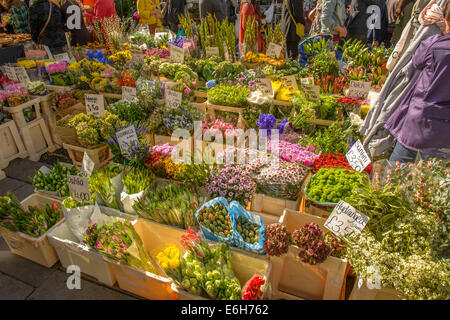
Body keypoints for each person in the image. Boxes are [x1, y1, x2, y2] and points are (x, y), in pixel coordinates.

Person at [384, 0, 450, 163]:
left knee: (393, 181)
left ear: (446, 19)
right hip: (444, 135)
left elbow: (416, 62)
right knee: (432, 184)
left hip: (419, 125)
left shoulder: (434, 44)